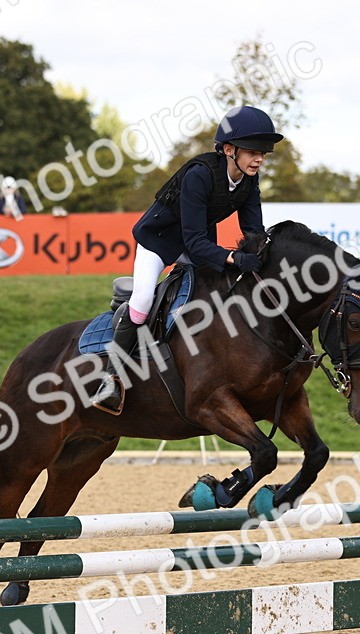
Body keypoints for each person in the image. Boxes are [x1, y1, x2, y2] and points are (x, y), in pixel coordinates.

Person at [90, 105, 282, 414]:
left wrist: (261, 256)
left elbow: (254, 232)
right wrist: (233, 258)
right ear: (229, 149)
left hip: (196, 244)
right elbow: (194, 241)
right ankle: (110, 378)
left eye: (263, 152)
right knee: (142, 301)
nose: (259, 158)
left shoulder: (249, 180)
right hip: (159, 241)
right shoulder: (199, 175)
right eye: (252, 151)